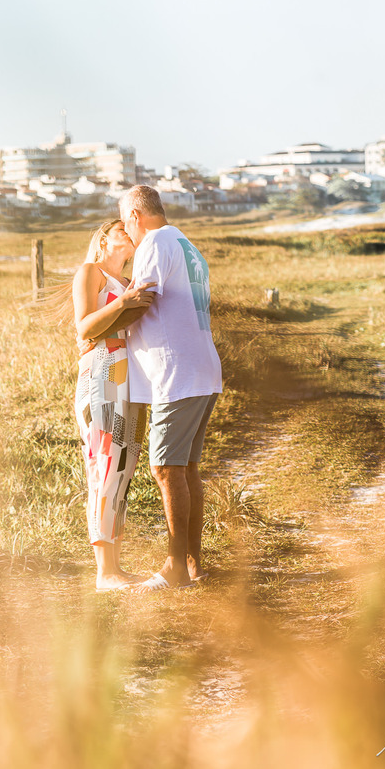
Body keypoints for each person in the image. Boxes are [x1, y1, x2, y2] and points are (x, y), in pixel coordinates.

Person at [118, 185, 223, 591]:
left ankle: (175, 567)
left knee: (165, 468)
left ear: (135, 216)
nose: (128, 235)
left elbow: (139, 301)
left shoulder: (155, 242)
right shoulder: (185, 244)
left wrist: (96, 330)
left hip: (176, 372)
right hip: (201, 368)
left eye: (126, 224)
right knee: (184, 468)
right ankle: (193, 565)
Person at [72, 219, 157, 590]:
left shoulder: (128, 281)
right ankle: (104, 572)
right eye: (121, 228)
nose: (128, 232)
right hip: (102, 372)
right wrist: (124, 302)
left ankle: (115, 568)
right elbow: (84, 328)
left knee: (123, 468)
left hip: (131, 377)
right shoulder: (92, 272)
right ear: (104, 239)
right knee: (104, 465)